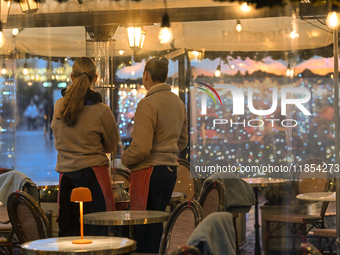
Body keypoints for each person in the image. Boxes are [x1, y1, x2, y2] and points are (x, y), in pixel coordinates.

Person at [121, 57, 188, 253]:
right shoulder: (178, 102)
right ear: (166, 76)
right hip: (169, 172)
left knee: (144, 229)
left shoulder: (147, 103)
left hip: (149, 173)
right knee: (156, 224)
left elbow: (141, 148)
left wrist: (124, 159)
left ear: (146, 75)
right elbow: (182, 142)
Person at [51, 57, 119, 237]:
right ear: (95, 78)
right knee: (98, 235)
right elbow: (111, 146)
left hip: (66, 180)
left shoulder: (59, 106)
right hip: (94, 177)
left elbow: (57, 137)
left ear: (72, 77)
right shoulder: (102, 110)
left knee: (68, 235)